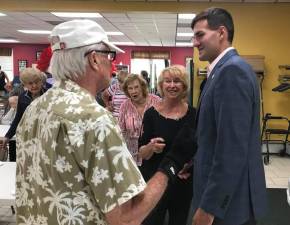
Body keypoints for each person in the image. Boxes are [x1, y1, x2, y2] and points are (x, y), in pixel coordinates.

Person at [15, 19, 194, 225]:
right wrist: (171, 165)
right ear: (94, 60)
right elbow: (125, 217)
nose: (113, 63)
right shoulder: (93, 118)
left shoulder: (35, 109)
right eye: (110, 56)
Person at [191, 7, 267, 225]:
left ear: (221, 33)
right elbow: (213, 135)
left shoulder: (231, 72)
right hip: (224, 195)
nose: (195, 43)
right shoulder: (219, 71)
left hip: (228, 206)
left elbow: (231, 149)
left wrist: (209, 207)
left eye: (200, 35)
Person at [138, 65, 196, 225]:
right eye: (167, 81)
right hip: (154, 180)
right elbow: (141, 153)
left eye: (177, 81)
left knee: (179, 220)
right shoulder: (151, 114)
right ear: (161, 86)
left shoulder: (194, 115)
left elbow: (200, 149)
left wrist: (188, 164)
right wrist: (150, 147)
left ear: (184, 86)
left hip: (182, 182)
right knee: (151, 221)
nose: (172, 85)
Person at [0, 67, 46, 162]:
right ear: (24, 84)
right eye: (30, 83)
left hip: (45, 136)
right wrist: (8, 136)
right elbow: (18, 118)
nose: (34, 85)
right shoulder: (22, 98)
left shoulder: (49, 94)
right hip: (28, 136)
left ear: (41, 81)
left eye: (37, 82)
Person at [118, 74, 161, 166]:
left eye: (136, 87)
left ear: (142, 87)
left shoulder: (157, 101)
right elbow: (120, 131)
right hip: (131, 156)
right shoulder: (124, 106)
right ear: (127, 90)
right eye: (130, 88)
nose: (134, 91)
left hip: (154, 154)